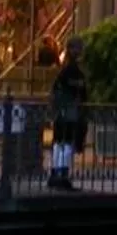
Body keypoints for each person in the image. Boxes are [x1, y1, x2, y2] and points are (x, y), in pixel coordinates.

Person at [47, 36, 89, 191]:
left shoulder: (69, 71)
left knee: (62, 143)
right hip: (68, 111)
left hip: (66, 111)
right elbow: (75, 92)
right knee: (65, 143)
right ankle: (61, 175)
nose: (79, 51)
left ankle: (58, 173)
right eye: (77, 48)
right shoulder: (70, 71)